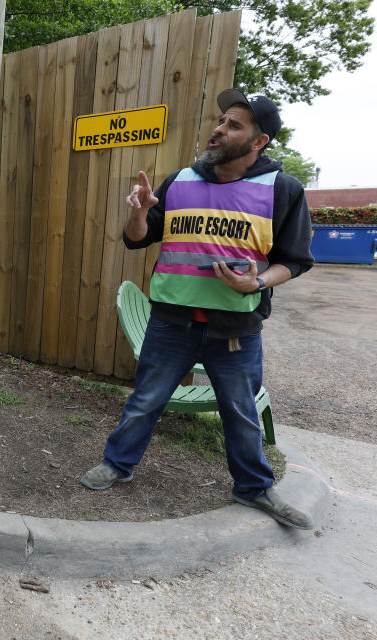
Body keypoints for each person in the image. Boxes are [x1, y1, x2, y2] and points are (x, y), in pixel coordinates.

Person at [79, 88, 315, 530]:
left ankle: (253, 487)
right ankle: (118, 464)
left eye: (234, 125)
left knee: (242, 413)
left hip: (235, 329)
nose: (219, 130)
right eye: (221, 121)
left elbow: (294, 260)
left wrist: (257, 281)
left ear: (259, 141)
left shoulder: (283, 190)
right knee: (145, 401)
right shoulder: (179, 181)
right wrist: (139, 212)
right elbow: (137, 237)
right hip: (171, 322)